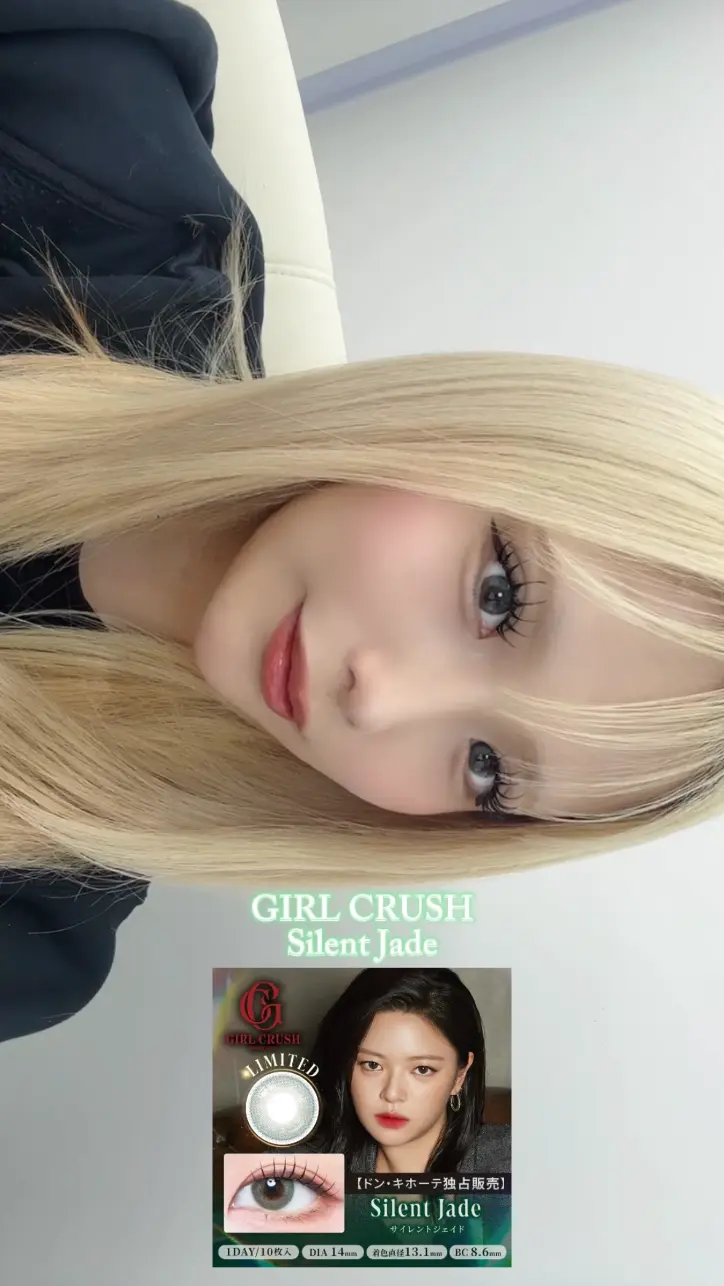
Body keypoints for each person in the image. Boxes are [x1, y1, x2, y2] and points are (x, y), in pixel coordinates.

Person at [2, 0, 724, 1042]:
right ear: (474, 432)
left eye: (487, 768)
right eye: (499, 596)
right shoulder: (91, 143)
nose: (380, 699)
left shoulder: (36, 924)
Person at [302, 969, 510, 1173]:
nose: (392, 1093)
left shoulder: (511, 1162)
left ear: (459, 1076)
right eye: (372, 1065)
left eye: (422, 1069)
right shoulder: (306, 1167)